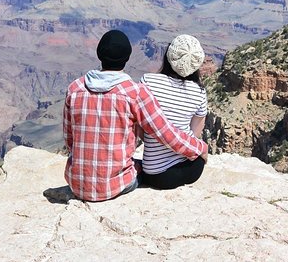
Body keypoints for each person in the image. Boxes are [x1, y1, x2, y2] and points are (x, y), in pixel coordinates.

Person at [62, 29, 208, 202]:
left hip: (77, 185)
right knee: (138, 168)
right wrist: (200, 148)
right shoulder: (135, 93)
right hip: (116, 187)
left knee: (140, 165)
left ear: (99, 54)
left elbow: (70, 139)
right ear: (128, 57)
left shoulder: (74, 88)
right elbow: (164, 132)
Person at [139, 34, 208, 189]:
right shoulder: (199, 92)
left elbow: (139, 126)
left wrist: (156, 141)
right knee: (199, 161)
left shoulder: (147, 81)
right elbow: (194, 134)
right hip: (185, 170)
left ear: (169, 56)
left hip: (152, 174)